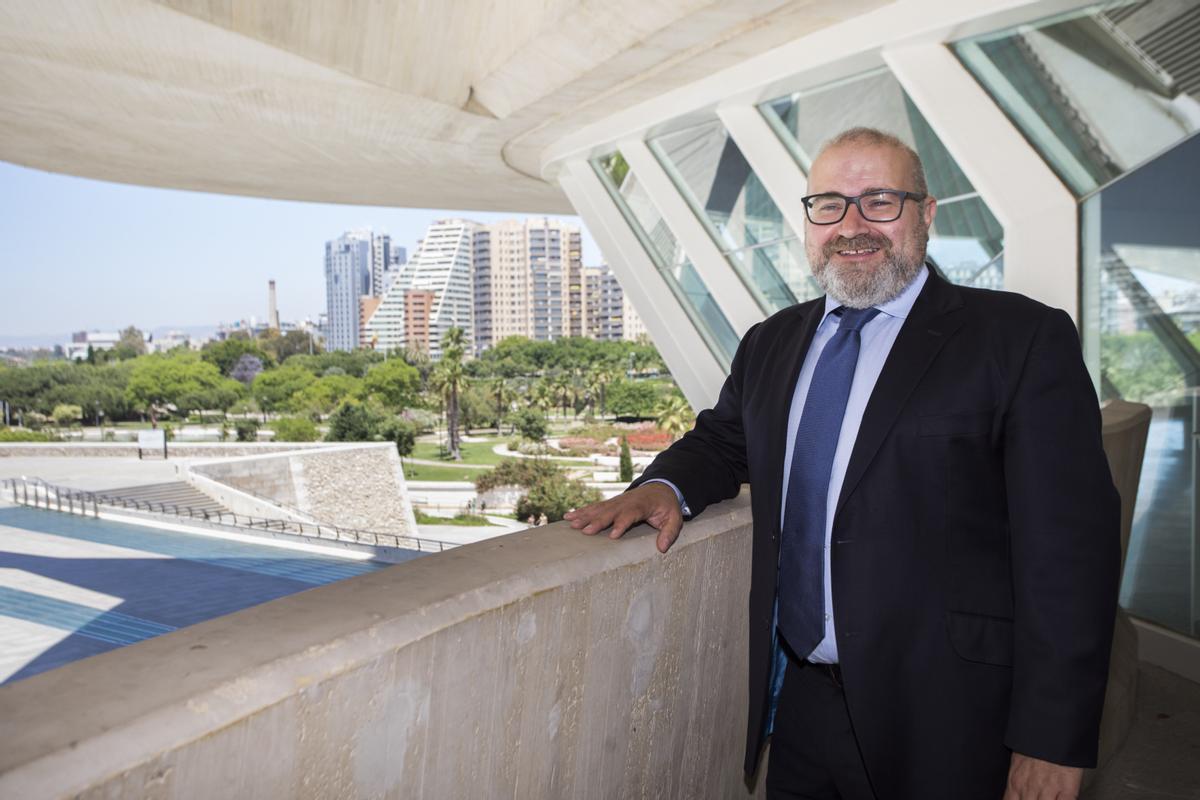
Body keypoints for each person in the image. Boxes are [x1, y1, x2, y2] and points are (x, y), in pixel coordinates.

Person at [565, 127, 1120, 799]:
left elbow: (1070, 552)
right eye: (828, 204)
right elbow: (722, 441)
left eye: (880, 200)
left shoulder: (1019, 340)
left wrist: (1050, 738)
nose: (852, 225)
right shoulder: (772, 342)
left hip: (955, 715)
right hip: (804, 704)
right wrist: (664, 485)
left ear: (926, 213)